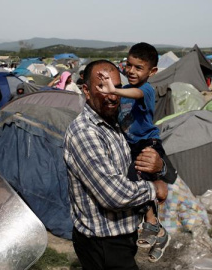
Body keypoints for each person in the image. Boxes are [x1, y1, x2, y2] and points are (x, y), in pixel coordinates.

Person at [63, 59, 168, 269]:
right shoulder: (86, 133)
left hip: (123, 236)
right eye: (103, 88)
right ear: (86, 90)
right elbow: (113, 195)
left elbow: (140, 163)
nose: (113, 96)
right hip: (103, 243)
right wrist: (154, 188)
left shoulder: (116, 123)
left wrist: (159, 166)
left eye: (118, 88)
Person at [96, 42, 175, 263]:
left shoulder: (146, 90)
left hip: (147, 143)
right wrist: (106, 80)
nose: (131, 71)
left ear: (152, 72)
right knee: (134, 184)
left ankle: (153, 226)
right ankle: (158, 232)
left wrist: (113, 89)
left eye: (139, 68)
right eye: (129, 65)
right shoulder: (125, 86)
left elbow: (137, 92)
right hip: (131, 145)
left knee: (139, 183)